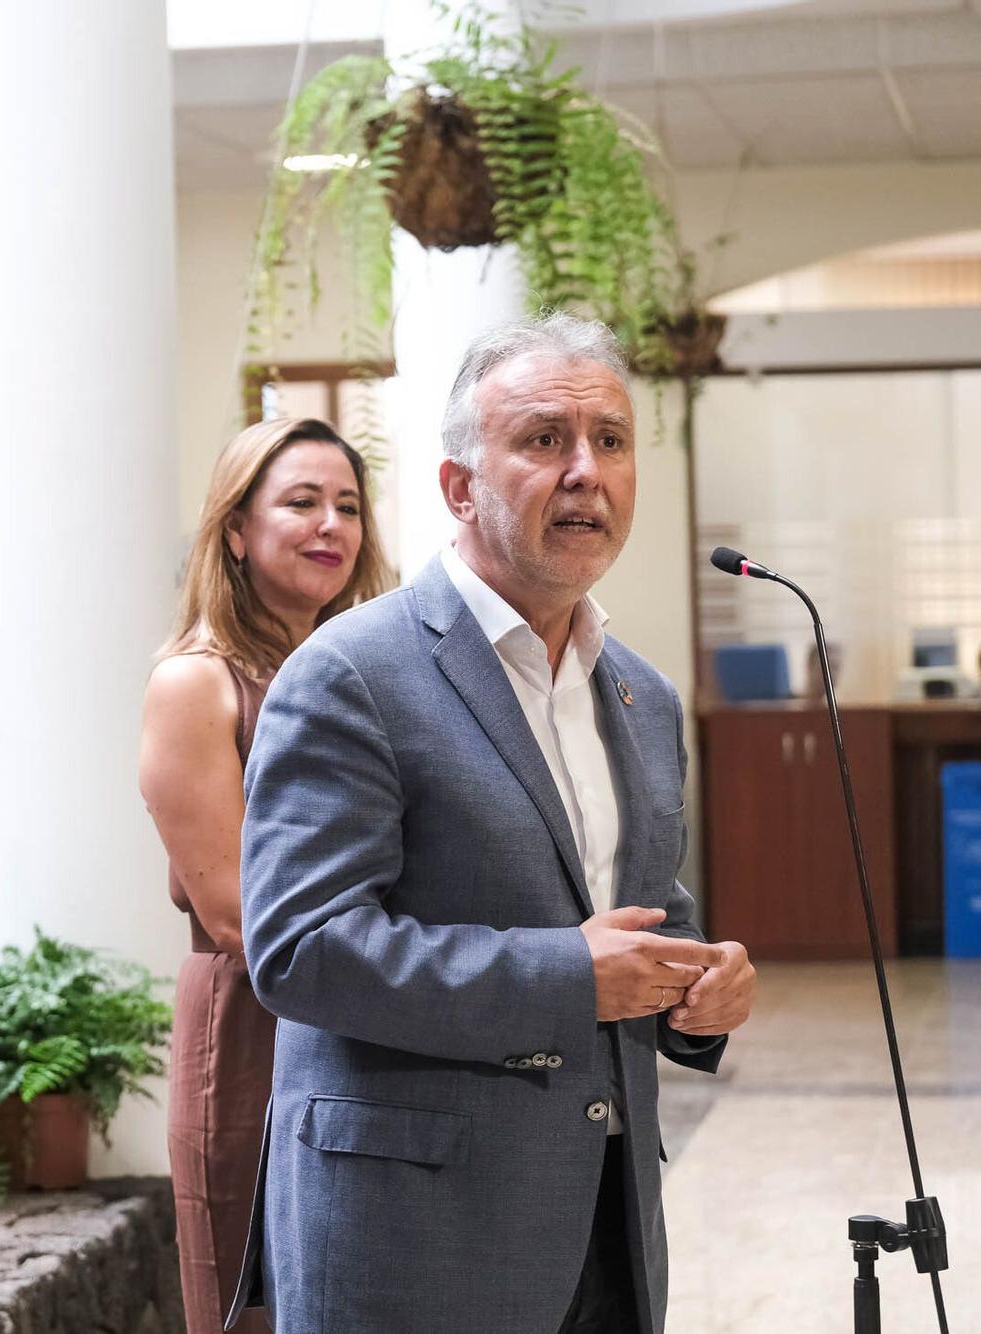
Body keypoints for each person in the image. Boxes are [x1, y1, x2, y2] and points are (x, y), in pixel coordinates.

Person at [237, 314, 755, 1334]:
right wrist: (568, 974)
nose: (583, 471)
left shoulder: (640, 695)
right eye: (541, 439)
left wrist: (699, 987)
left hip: (604, 1224)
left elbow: (636, 913)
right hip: (416, 1236)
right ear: (457, 486)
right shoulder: (350, 674)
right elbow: (299, 951)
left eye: (608, 440)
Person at [140, 418, 392, 1334]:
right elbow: (247, 919)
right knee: (260, 1312)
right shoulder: (196, 684)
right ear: (236, 531)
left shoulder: (361, 672)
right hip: (255, 1028)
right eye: (301, 502)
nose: (331, 524)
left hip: (363, 1021)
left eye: (349, 506)